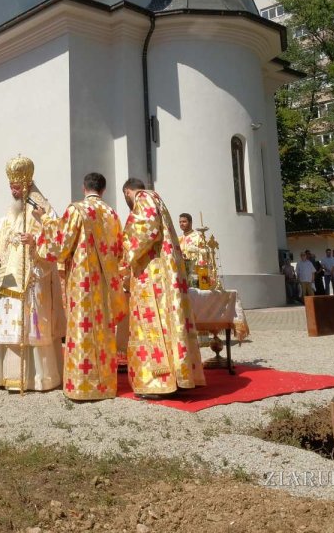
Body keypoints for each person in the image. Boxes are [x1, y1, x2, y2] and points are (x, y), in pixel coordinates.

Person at [0, 156, 65, 392]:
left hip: (33, 278)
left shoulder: (42, 210)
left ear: (26, 185)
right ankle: (9, 376)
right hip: (9, 277)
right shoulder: (10, 214)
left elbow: (57, 239)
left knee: (32, 326)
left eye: (16, 187)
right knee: (9, 324)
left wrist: (35, 241)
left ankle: (37, 378)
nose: (12, 191)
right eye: (10, 187)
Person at [39, 172, 125, 401]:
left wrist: (45, 221)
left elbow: (61, 245)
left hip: (83, 280)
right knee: (103, 330)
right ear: (103, 190)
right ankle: (105, 384)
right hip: (105, 282)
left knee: (82, 327)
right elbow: (119, 250)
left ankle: (82, 385)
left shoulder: (76, 210)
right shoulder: (112, 214)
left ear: (83, 187)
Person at [120, 178, 205, 398]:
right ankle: (180, 376)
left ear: (128, 191)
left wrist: (124, 255)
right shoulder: (158, 199)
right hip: (165, 271)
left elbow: (145, 231)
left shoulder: (143, 198)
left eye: (125, 197)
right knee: (170, 322)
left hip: (152, 273)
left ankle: (159, 381)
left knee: (152, 323)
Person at [178, 213, 210, 288]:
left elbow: (206, 252)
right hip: (182, 272)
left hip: (195, 272)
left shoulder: (198, 236)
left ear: (190, 222)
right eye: (180, 222)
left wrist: (196, 250)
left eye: (184, 221)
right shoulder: (178, 239)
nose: (181, 224)